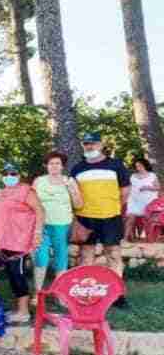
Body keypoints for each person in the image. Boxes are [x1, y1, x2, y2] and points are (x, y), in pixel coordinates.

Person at [71, 132, 131, 308]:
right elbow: (74, 194)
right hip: (85, 218)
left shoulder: (116, 165)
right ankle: (85, 294)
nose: (90, 146)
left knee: (113, 254)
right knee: (86, 256)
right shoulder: (77, 169)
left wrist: (113, 208)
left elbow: (125, 191)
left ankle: (118, 295)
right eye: (86, 143)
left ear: (101, 144)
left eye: (93, 143)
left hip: (110, 217)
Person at [0, 162, 44, 323]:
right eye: (6, 174)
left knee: (17, 274)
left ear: (19, 176)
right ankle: (18, 308)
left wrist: (38, 232)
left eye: (13, 174)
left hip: (19, 240)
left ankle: (24, 311)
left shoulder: (26, 190)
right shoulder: (2, 192)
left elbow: (40, 210)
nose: (9, 177)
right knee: (10, 275)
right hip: (4, 240)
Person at [32, 152, 84, 296]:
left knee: (61, 259)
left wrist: (72, 190)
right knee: (41, 258)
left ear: (62, 166)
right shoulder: (38, 181)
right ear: (46, 166)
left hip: (62, 225)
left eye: (57, 163)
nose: (54, 166)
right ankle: (38, 293)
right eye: (51, 163)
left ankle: (60, 294)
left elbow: (79, 205)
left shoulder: (70, 181)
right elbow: (31, 203)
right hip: (41, 226)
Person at [126, 157, 160, 240]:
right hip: (134, 200)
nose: (138, 168)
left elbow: (158, 187)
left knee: (148, 220)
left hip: (148, 201)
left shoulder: (152, 175)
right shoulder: (133, 176)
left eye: (140, 166)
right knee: (130, 218)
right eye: (137, 166)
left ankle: (149, 238)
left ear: (145, 165)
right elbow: (129, 187)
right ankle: (124, 238)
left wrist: (148, 187)